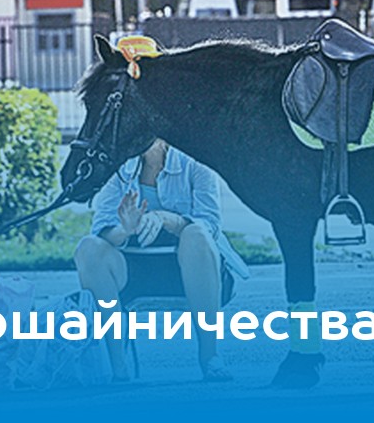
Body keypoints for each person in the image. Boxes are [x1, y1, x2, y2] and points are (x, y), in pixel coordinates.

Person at [74, 139, 248, 383]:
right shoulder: (119, 166)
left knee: (197, 233)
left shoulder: (197, 160)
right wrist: (125, 229)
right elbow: (101, 229)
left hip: (195, 271)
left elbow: (210, 224)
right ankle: (118, 366)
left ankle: (210, 357)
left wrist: (166, 219)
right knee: (88, 247)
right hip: (136, 273)